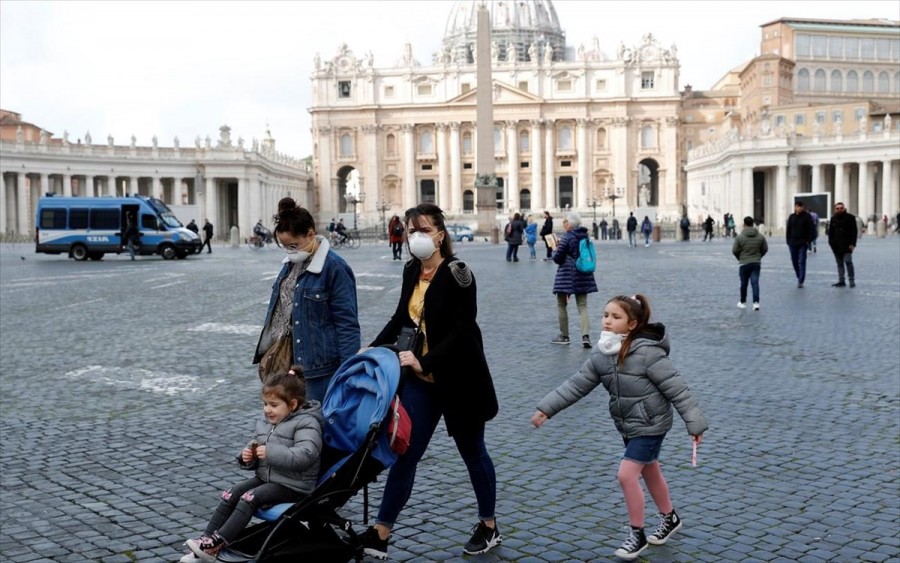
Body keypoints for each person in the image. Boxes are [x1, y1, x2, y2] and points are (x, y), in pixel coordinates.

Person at [361, 203, 501, 560]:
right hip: (421, 382)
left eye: (423, 230)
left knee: (473, 453)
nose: (416, 237)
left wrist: (424, 360)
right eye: (411, 231)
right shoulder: (412, 269)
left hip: (459, 379)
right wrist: (373, 348)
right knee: (404, 453)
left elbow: (462, 331)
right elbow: (400, 318)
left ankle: (488, 526)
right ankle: (381, 531)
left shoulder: (457, 273)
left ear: (440, 234)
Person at [531, 294, 707, 562]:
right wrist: (547, 408)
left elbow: (678, 390)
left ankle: (636, 534)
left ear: (632, 324)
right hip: (627, 424)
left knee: (626, 475)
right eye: (605, 315)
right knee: (650, 471)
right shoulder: (602, 352)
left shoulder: (648, 354)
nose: (607, 321)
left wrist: (695, 423)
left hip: (651, 423)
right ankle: (670, 517)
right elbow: (577, 384)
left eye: (615, 317)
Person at [181, 366, 323, 563]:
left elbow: (306, 455)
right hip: (266, 477)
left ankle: (217, 544)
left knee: (249, 498)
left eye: (273, 405)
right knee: (231, 493)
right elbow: (256, 442)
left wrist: (270, 452)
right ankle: (205, 541)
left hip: (293, 485)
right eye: (265, 404)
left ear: (292, 404)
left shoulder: (306, 423)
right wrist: (247, 456)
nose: (267, 410)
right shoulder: (267, 421)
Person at [253, 198, 360, 402]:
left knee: (316, 427)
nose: (290, 252)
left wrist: (349, 373)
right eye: (285, 247)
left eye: (293, 245)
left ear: (310, 234)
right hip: (285, 366)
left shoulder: (334, 268)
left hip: (320, 370)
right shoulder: (290, 265)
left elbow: (347, 324)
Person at [551, 212, 598, 348]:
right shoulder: (585, 236)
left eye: (565, 221)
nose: (563, 223)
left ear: (570, 224)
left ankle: (564, 336)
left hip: (567, 275)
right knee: (582, 306)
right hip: (583, 274)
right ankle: (585, 336)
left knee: (561, 305)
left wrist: (554, 248)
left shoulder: (567, 237)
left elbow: (557, 258)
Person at [732, 216, 768, 310]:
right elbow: (765, 249)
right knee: (755, 283)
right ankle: (756, 303)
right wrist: (759, 257)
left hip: (744, 263)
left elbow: (734, 250)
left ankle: (743, 302)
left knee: (744, 283)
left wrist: (740, 258)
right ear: (753, 224)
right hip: (756, 263)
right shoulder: (760, 236)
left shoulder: (739, 237)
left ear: (744, 225)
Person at [827, 202, 858, 288]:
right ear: (835, 209)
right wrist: (831, 243)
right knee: (839, 263)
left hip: (847, 245)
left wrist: (853, 244)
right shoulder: (833, 218)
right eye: (837, 208)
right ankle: (841, 280)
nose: (839, 210)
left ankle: (851, 280)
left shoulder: (850, 218)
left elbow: (854, 232)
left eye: (841, 208)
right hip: (836, 245)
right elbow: (830, 233)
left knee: (848, 262)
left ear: (844, 208)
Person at [786, 200, 815, 288]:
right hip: (792, 242)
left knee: (802, 261)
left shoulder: (807, 216)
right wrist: (788, 240)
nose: (799, 208)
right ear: (795, 207)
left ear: (803, 208)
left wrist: (808, 240)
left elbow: (812, 229)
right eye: (798, 206)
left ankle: (801, 280)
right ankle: (799, 275)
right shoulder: (791, 217)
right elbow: (788, 229)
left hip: (803, 243)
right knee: (794, 261)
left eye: (801, 206)